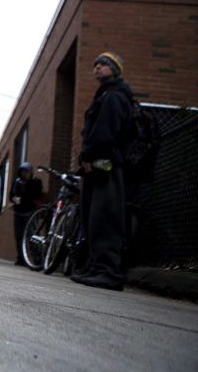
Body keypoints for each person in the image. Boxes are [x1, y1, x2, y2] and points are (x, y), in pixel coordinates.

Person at [72, 52, 134, 290]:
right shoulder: (107, 95)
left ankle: (108, 272)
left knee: (105, 217)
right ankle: (96, 268)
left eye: (104, 64)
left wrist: (88, 155)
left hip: (108, 167)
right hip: (100, 167)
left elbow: (105, 132)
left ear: (115, 69)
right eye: (96, 64)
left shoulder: (114, 97)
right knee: (95, 218)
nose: (97, 67)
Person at [10, 161, 43, 266]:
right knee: (18, 236)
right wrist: (14, 199)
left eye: (27, 171)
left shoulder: (35, 182)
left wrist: (23, 198)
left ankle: (37, 258)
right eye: (23, 171)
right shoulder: (17, 182)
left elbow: (35, 194)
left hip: (30, 213)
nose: (25, 174)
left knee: (32, 236)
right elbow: (11, 195)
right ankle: (21, 257)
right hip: (18, 212)